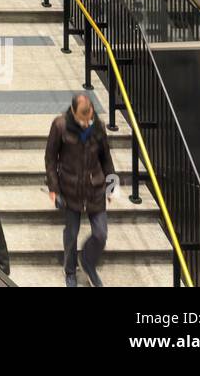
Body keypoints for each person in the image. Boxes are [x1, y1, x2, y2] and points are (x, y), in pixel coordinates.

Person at [46, 92, 115, 288]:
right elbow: (50, 159)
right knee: (72, 233)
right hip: (70, 188)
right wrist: (53, 188)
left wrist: (112, 185)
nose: (86, 123)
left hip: (95, 188)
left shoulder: (98, 126)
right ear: (73, 113)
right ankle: (70, 270)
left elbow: (106, 158)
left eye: (89, 118)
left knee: (101, 234)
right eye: (82, 119)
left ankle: (87, 261)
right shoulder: (60, 126)